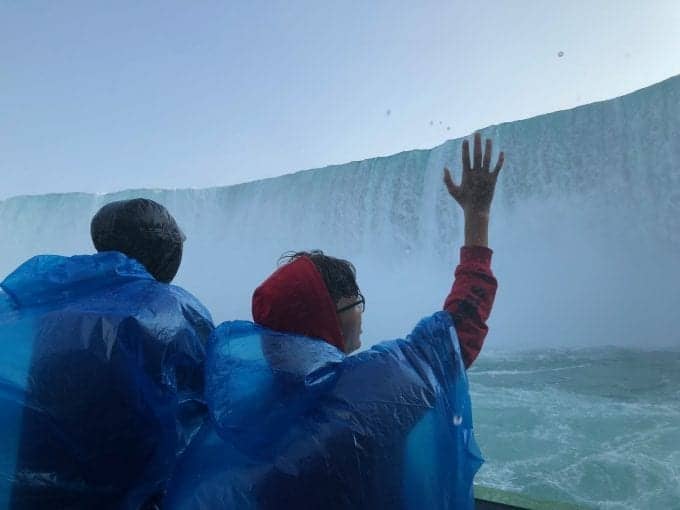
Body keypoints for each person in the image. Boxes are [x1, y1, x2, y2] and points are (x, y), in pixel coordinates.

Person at [163, 133, 504, 509]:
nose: (362, 311)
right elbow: (462, 330)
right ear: (334, 313)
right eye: (356, 301)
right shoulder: (375, 394)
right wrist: (478, 215)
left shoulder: (232, 418)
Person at [0, 198, 214, 509]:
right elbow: (206, 409)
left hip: (22, 493)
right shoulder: (173, 310)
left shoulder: (45, 301)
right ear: (164, 251)